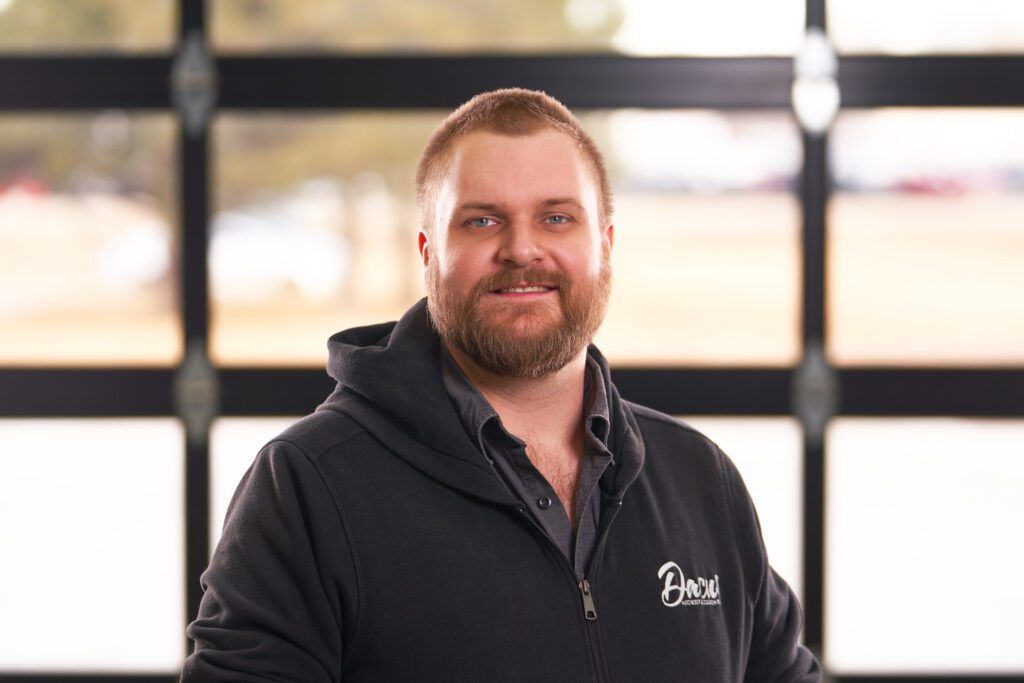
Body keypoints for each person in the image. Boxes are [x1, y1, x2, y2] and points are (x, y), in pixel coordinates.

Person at [182, 88, 821, 682]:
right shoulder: (307, 485)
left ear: (606, 246)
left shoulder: (700, 479)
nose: (522, 249)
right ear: (429, 252)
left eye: (557, 218)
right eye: (483, 221)